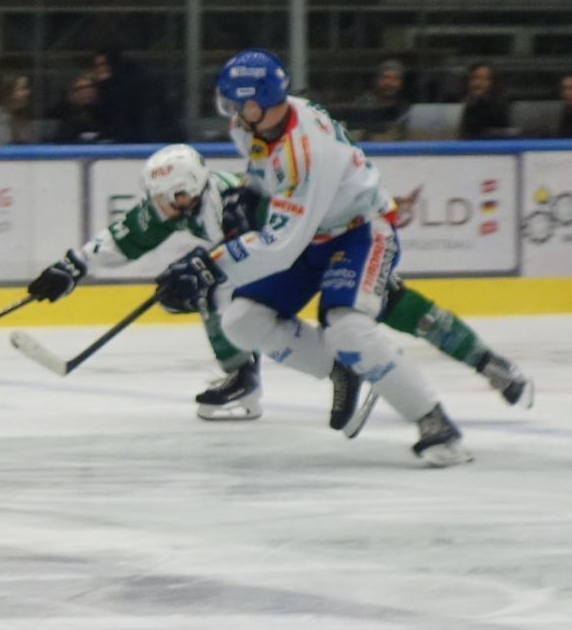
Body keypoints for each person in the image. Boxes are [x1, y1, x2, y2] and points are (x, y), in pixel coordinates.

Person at [29, 143, 533, 421]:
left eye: (170, 199)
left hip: (330, 248)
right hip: (283, 265)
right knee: (220, 297)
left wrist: (209, 265)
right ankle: (250, 377)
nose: (162, 209)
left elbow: (278, 238)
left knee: (400, 309)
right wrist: (73, 266)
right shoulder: (179, 204)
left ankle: (490, 364)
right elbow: (127, 235)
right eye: (161, 200)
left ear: (191, 190)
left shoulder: (239, 200)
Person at [149, 50, 473, 466]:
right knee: (241, 321)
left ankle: (435, 422)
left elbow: (281, 244)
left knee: (349, 328)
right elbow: (265, 169)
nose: (230, 112)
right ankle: (341, 367)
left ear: (256, 103)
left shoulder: (307, 152)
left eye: (235, 103)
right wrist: (249, 192)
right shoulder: (253, 123)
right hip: (314, 233)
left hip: (359, 231)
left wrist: (210, 266)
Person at [351, 59, 413, 140]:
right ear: (376, 80)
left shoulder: (405, 107)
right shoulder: (363, 103)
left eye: (395, 79)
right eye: (385, 78)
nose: (390, 83)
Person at [459, 61, 512, 138]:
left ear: (493, 82)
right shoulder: (459, 102)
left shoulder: (500, 107)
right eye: (475, 77)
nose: (478, 82)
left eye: (485, 79)